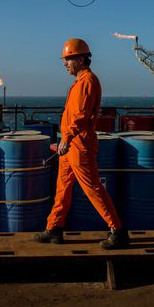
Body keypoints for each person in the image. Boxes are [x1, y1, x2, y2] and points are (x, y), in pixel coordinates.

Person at [34, 38, 130, 250]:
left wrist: (66, 138)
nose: (64, 63)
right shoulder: (80, 82)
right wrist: (65, 140)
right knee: (63, 187)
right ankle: (54, 229)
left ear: (79, 59)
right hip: (70, 144)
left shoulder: (87, 82)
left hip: (79, 145)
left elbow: (80, 116)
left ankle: (118, 231)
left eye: (68, 59)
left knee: (93, 188)